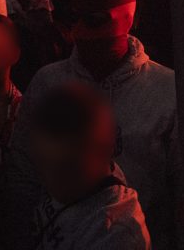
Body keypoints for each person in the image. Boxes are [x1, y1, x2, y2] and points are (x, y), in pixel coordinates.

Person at [9, 0, 177, 248]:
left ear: (127, 20)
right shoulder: (48, 82)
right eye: (76, 17)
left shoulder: (166, 89)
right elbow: (23, 170)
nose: (81, 32)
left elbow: (183, 187)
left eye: (95, 20)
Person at [27, 83, 150, 250]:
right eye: (43, 164)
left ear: (105, 149)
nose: (52, 181)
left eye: (67, 168)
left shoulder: (116, 234)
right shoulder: (72, 185)